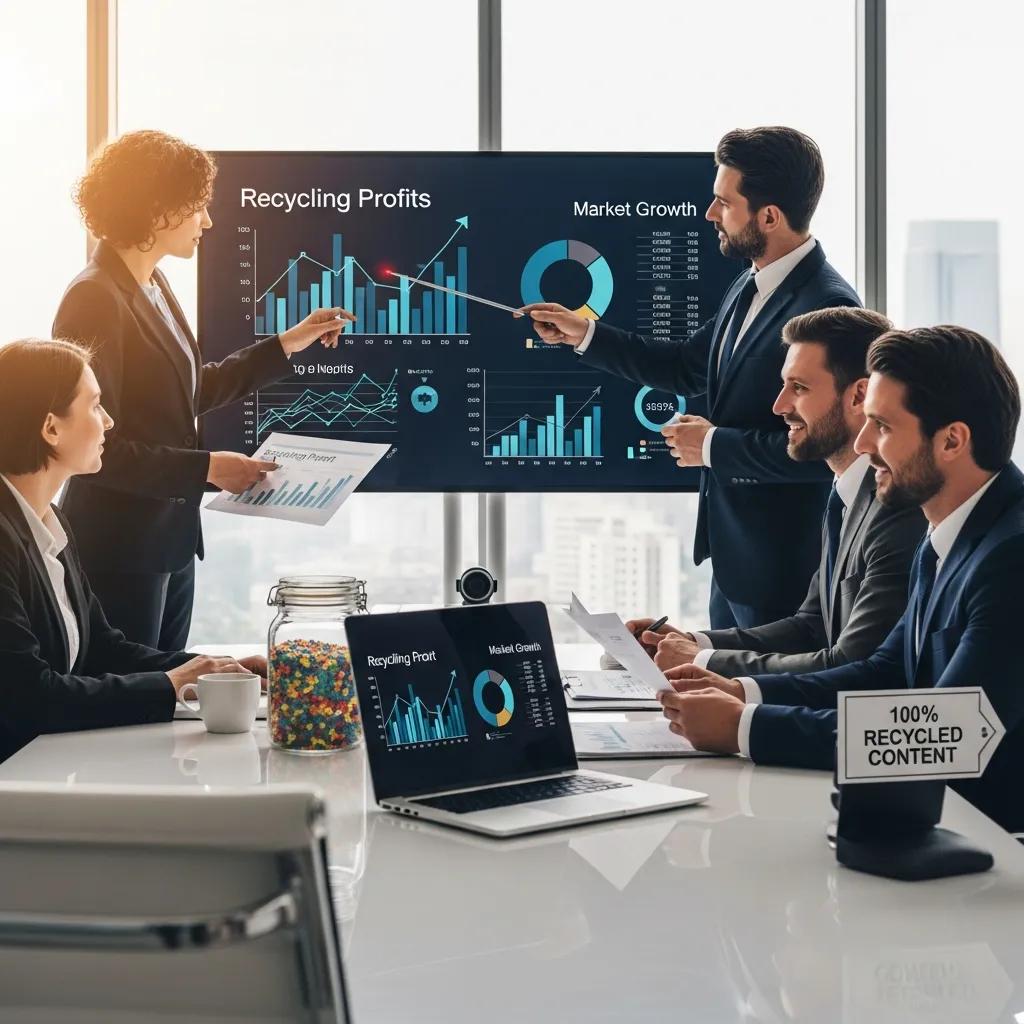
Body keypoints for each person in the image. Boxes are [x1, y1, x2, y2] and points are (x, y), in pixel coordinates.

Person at [659, 325, 1024, 835]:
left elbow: (950, 734)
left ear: (952, 441)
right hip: (944, 825)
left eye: (882, 426)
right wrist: (743, 693)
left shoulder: (1011, 558)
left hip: (998, 852)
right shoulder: (946, 533)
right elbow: (882, 673)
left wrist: (745, 727)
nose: (862, 442)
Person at [518, 127, 861, 629]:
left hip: (786, 575)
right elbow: (685, 366)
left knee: (754, 700)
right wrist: (583, 334)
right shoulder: (752, 284)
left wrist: (714, 446)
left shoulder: (828, 308)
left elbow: (830, 453)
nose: (710, 214)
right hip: (735, 564)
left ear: (768, 216)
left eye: (724, 202)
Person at [53, 130, 356, 649]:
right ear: (157, 208)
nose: (208, 222)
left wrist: (288, 342)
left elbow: (189, 389)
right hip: (119, 546)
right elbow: (98, 447)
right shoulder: (95, 299)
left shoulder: (152, 285)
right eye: (198, 207)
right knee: (134, 700)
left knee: (166, 691)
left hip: (167, 541)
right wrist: (208, 468)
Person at [0, 339, 263, 763]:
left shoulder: (51, 523)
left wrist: (218, 669)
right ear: (51, 428)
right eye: (95, 405)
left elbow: (104, 648)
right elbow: (29, 696)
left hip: (40, 767)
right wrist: (172, 683)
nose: (109, 422)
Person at [629, 306, 926, 676]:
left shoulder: (898, 508)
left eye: (798, 388)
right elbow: (810, 627)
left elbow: (855, 664)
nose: (779, 406)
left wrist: (701, 662)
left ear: (858, 396)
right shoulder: (845, 498)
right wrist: (693, 643)